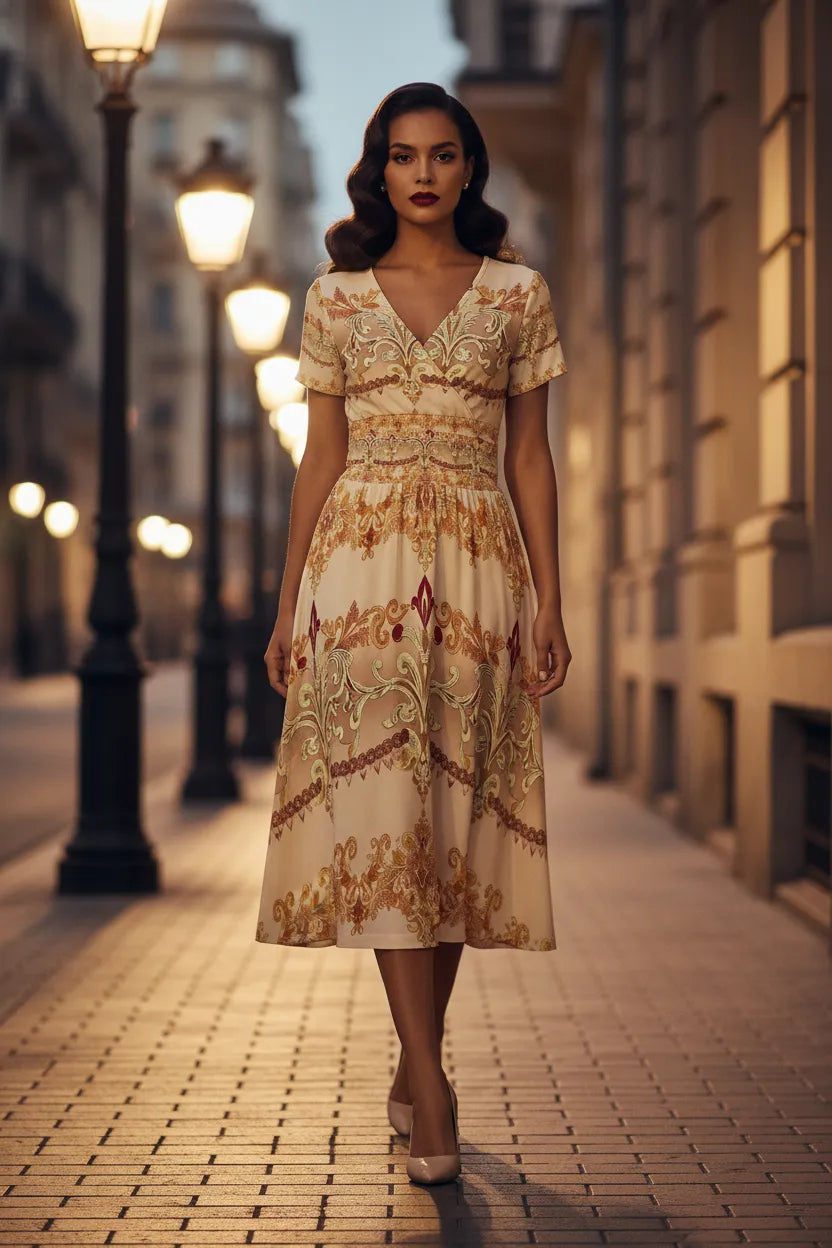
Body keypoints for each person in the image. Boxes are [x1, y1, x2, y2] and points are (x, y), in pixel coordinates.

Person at [257, 81, 571, 1185]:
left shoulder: (519, 294)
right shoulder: (336, 299)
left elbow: (530, 457)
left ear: (469, 166)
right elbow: (320, 458)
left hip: (480, 573)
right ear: (379, 171)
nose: (423, 173)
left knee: (449, 826)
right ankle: (431, 1084)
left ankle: (412, 1056)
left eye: (441, 154)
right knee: (387, 811)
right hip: (359, 571)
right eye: (403, 155)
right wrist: (287, 603)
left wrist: (550, 600)